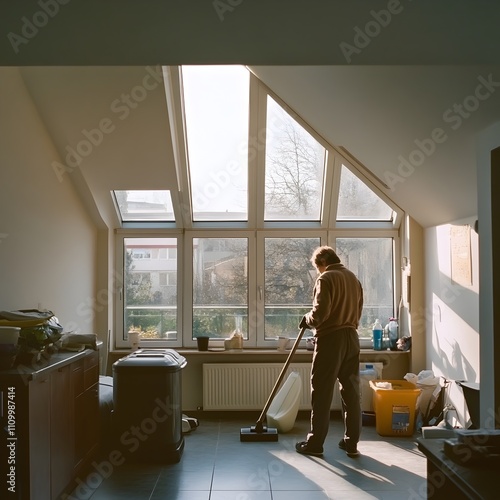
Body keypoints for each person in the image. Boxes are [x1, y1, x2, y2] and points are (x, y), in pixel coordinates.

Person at [296, 245, 364, 458]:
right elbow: (359, 309)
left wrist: (306, 319)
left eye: (317, 267)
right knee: (351, 393)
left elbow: (319, 313)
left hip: (330, 340)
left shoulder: (325, 279)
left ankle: (315, 443)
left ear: (322, 262)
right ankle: (351, 443)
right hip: (352, 338)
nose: (318, 271)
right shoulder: (353, 278)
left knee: (322, 392)